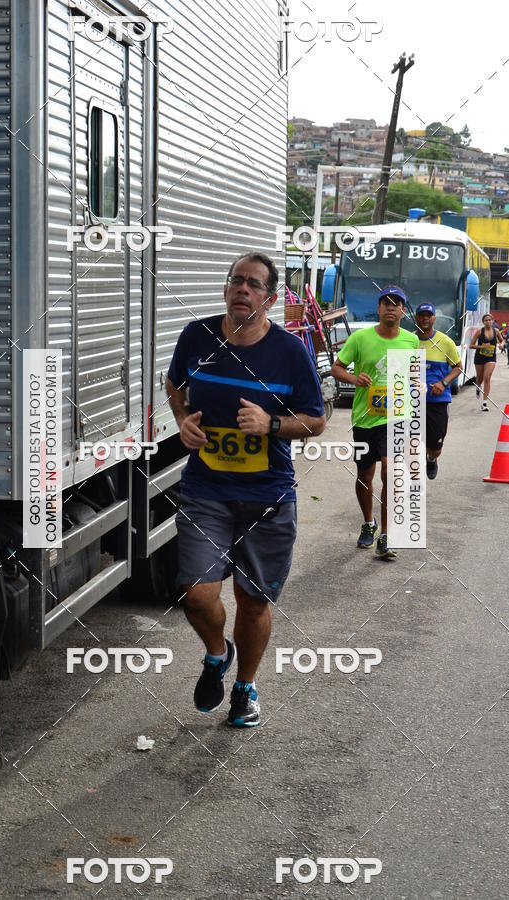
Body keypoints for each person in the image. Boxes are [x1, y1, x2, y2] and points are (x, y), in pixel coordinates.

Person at [166, 253, 326, 727]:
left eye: (254, 284)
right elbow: (174, 384)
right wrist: (182, 420)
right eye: (237, 280)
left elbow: (316, 421)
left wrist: (271, 424)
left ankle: (245, 688)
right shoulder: (197, 337)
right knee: (196, 594)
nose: (243, 289)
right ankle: (218, 653)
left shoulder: (290, 352)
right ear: (225, 290)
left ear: (270, 299)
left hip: (267, 497)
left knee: (253, 600)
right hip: (206, 490)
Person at [330, 285, 419, 560]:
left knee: (390, 473)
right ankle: (369, 523)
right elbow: (336, 368)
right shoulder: (360, 338)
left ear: (403, 311)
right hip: (365, 418)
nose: (391, 307)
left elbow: (413, 374)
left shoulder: (411, 341)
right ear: (379, 308)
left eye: (397, 303)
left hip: (397, 417)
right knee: (365, 476)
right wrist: (354, 378)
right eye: (386, 303)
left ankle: (387, 536)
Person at [414, 303, 462, 480]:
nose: (425, 318)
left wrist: (443, 383)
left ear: (434, 318)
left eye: (429, 315)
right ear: (416, 318)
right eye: (422, 315)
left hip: (437, 401)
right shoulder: (408, 341)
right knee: (409, 441)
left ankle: (431, 459)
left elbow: (458, 367)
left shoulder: (445, 342)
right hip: (412, 401)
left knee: (435, 447)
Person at [470, 313, 505, 410]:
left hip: (491, 358)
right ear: (483, 322)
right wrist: (482, 346)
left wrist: (501, 345)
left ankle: (484, 403)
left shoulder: (496, 331)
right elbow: (471, 345)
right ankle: (478, 386)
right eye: (486, 320)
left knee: (487, 378)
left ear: (492, 321)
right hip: (480, 358)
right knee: (480, 378)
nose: (488, 321)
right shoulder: (479, 332)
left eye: (490, 320)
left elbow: (502, 341)